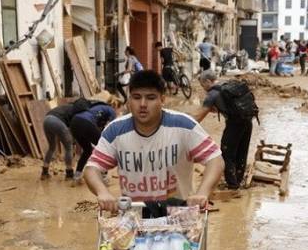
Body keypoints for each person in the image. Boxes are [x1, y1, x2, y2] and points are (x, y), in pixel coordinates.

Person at [83, 70, 224, 213]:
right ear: (129, 99)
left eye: (150, 98)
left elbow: (215, 160)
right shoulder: (115, 130)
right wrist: (103, 193)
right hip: (133, 218)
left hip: (179, 217)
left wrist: (202, 193)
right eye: (136, 97)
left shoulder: (184, 125)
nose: (143, 104)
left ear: (162, 100)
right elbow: (92, 168)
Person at [195, 70, 255, 190]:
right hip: (247, 121)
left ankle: (232, 185)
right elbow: (230, 106)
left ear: (207, 81)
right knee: (241, 151)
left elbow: (197, 118)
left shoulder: (212, 94)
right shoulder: (227, 85)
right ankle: (238, 179)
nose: (203, 88)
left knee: (227, 153)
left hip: (234, 124)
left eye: (202, 85)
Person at [70, 101, 118, 183]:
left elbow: (98, 126)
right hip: (86, 122)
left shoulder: (96, 108)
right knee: (103, 149)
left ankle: (77, 176)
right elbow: (112, 126)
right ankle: (104, 177)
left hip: (74, 122)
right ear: (116, 106)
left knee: (87, 150)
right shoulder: (111, 110)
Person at [41, 101, 78, 180]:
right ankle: (69, 174)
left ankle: (44, 172)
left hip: (46, 120)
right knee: (68, 147)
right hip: (57, 121)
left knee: (51, 147)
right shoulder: (75, 111)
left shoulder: (64, 107)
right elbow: (72, 128)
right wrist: (73, 141)